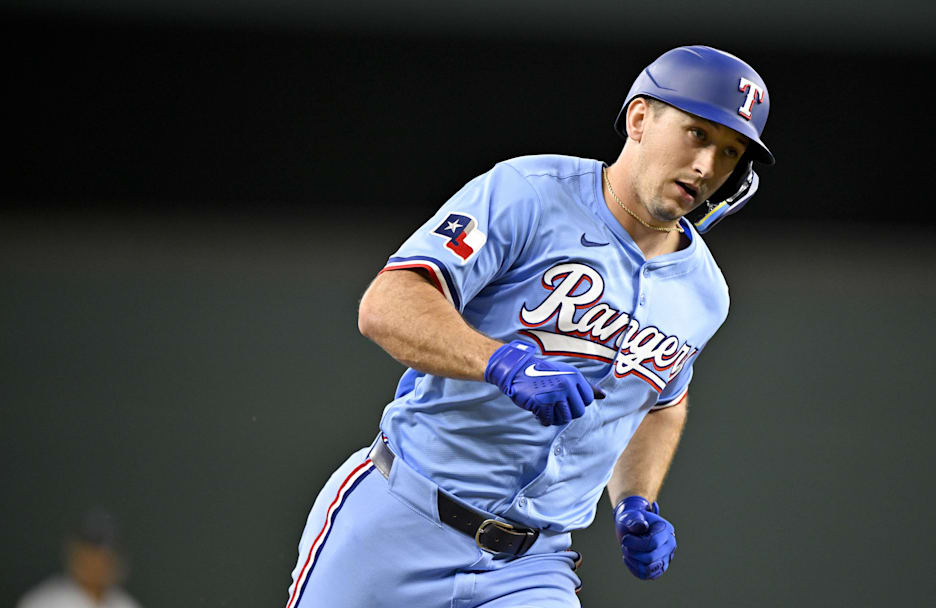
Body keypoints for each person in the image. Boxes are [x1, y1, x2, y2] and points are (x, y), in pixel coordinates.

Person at [286, 45, 774, 608]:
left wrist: (636, 500)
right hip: (400, 521)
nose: (708, 166)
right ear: (640, 118)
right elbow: (387, 304)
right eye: (697, 134)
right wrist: (497, 360)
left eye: (731, 152)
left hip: (531, 567)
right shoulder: (532, 191)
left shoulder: (705, 293)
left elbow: (660, 401)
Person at [17, 508, 143, 608]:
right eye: (89, 552)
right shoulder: (43, 603)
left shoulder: (125, 604)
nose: (97, 562)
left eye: (104, 555)